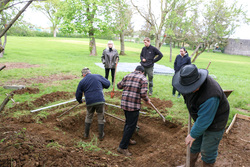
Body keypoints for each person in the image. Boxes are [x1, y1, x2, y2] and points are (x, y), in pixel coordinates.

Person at [172, 64, 230, 167]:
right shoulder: (187, 82)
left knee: (208, 150)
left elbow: (205, 120)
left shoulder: (211, 95)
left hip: (216, 122)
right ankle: (188, 165)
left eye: (191, 88)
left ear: (198, 83)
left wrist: (192, 135)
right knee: (193, 145)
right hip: (201, 116)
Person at [117, 65, 151, 156]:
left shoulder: (127, 75)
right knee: (131, 126)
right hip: (133, 106)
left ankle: (127, 140)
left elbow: (119, 86)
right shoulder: (143, 79)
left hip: (124, 104)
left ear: (135, 70)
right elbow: (143, 93)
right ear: (143, 72)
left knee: (128, 123)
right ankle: (122, 147)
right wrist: (147, 100)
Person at [75, 67, 110, 140]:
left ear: (84, 74)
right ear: (89, 72)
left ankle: (86, 135)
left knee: (89, 116)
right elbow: (108, 84)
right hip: (100, 100)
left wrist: (80, 101)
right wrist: (101, 85)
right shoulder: (97, 76)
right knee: (100, 116)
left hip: (89, 102)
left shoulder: (82, 81)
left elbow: (78, 94)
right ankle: (101, 136)